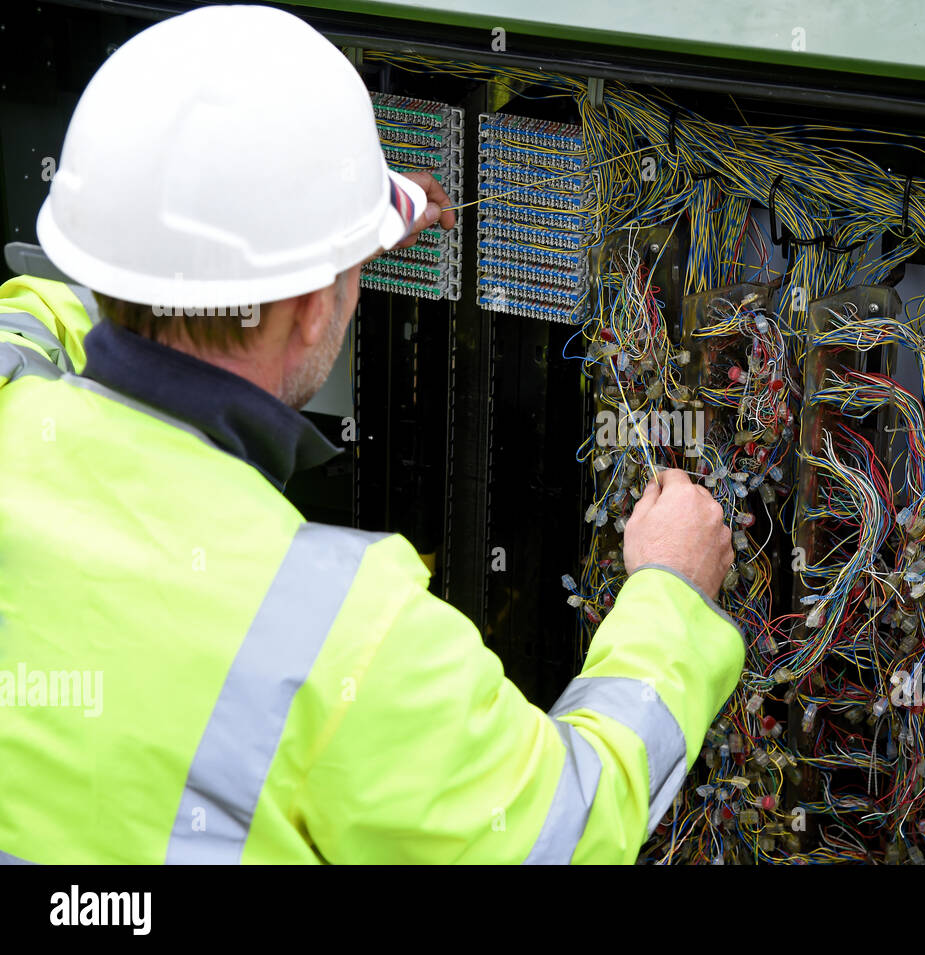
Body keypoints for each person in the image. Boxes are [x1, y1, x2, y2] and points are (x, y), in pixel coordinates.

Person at [0, 4, 741, 864]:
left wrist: (307, 254)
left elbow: (58, 303)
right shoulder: (342, 635)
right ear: (319, 311)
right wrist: (671, 599)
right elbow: (564, 826)